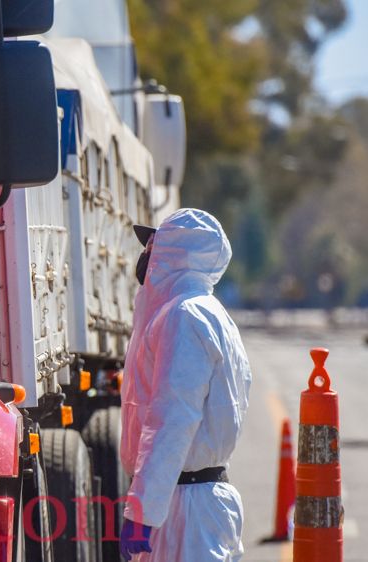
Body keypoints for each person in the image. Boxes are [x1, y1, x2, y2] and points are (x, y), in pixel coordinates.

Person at [118, 208, 253, 561]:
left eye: (152, 245)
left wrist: (143, 511)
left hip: (186, 511)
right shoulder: (206, 312)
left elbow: (173, 418)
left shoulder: (185, 316)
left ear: (173, 253)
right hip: (191, 501)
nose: (145, 254)